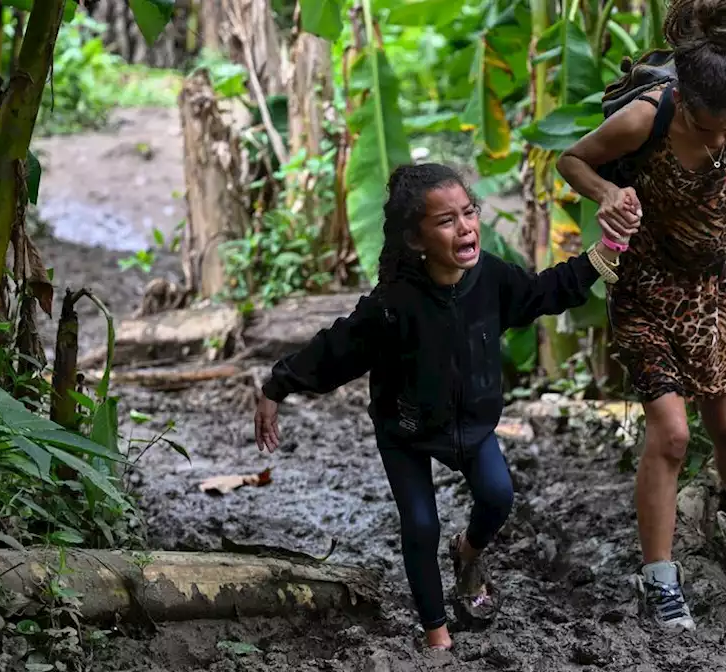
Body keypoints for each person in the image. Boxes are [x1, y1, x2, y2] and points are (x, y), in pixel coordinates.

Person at [252, 163, 626, 650]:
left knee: (498, 496)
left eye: (469, 213)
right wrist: (277, 386)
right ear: (415, 239)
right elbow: (336, 348)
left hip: (472, 426)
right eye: (446, 221)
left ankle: (467, 553)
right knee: (421, 525)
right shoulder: (394, 304)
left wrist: (603, 254)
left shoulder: (490, 278)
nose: (466, 226)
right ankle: (437, 637)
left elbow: (542, 292)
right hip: (404, 430)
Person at [556, 0, 726, 632]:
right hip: (646, 287)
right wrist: (609, 193)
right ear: (683, 99)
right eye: (705, 126)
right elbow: (572, 161)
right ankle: (659, 579)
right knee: (674, 434)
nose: (717, 139)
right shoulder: (644, 118)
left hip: (716, 289)